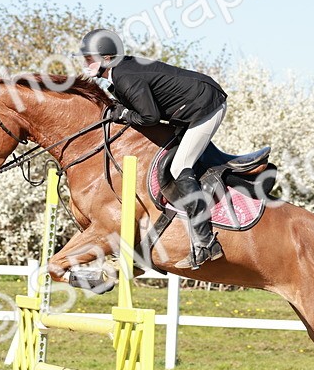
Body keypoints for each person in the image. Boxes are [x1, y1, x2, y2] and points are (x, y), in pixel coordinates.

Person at [76, 28, 226, 269]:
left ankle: (206, 242)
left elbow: (149, 117)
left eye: (89, 58)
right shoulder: (118, 73)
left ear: (107, 59)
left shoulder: (124, 76)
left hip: (205, 107)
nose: (85, 63)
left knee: (179, 167)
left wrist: (123, 113)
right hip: (190, 106)